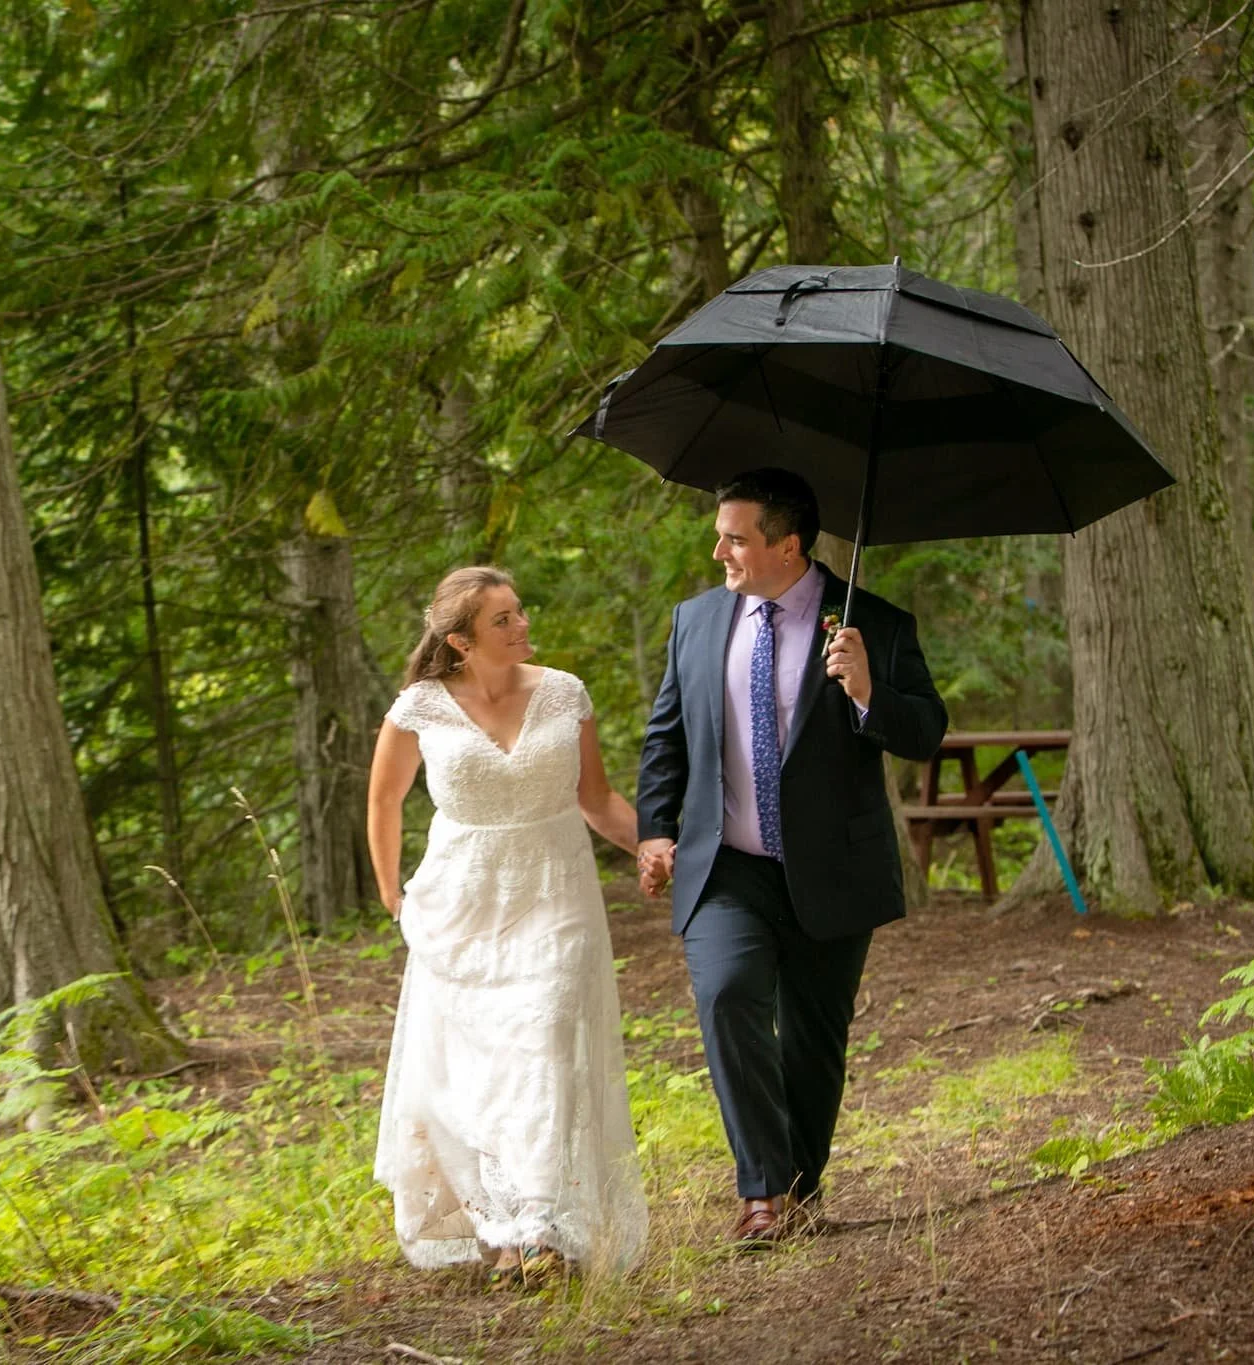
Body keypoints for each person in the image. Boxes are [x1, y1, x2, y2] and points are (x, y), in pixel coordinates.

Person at [635, 468, 946, 1245]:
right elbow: (666, 736)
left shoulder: (874, 621)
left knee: (814, 1034)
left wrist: (870, 691)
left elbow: (926, 731)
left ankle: (802, 1188)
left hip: (833, 868)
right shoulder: (698, 621)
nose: (719, 552)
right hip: (727, 864)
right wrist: (654, 825)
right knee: (727, 993)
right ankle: (764, 1193)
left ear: (788, 545)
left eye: (735, 537)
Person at [368, 566, 648, 1283]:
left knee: (548, 1037)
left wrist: (648, 842)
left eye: (520, 611)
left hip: (555, 889)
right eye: (502, 619)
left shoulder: (564, 693)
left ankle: (538, 1225)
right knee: (475, 1066)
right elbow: (386, 801)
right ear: (461, 640)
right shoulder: (419, 709)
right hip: (462, 902)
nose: (522, 624)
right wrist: (393, 892)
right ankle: (494, 1220)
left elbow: (597, 796)